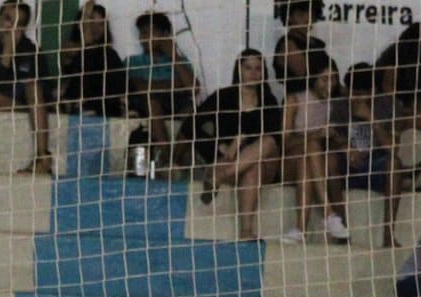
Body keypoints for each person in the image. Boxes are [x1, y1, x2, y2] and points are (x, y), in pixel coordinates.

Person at [191, 49, 283, 242]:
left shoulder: (269, 100)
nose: (253, 73)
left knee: (268, 143)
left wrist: (241, 139)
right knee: (252, 169)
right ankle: (246, 231)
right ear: (238, 70)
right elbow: (191, 126)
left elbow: (276, 137)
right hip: (233, 161)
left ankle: (220, 175)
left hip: (262, 163)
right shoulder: (223, 97)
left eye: (258, 68)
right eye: (248, 68)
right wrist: (219, 147)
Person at [331, 64, 410, 247]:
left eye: (363, 93)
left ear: (374, 90)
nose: (358, 98)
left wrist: (371, 118)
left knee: (394, 163)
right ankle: (342, 231)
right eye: (354, 93)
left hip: (376, 165)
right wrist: (346, 148)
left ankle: (388, 234)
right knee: (330, 161)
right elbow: (330, 138)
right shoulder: (340, 105)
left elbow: (392, 148)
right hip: (348, 166)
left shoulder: (390, 105)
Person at [0, 0, 51, 174]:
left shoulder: (32, 51)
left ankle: (43, 156)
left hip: (29, 98)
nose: (12, 27)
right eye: (8, 19)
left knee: (33, 87)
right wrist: (7, 52)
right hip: (3, 99)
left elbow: (45, 90)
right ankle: (28, 110)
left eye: (19, 24)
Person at [280, 59, 347, 244]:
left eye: (333, 79)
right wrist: (315, 134)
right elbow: (283, 143)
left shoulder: (336, 103)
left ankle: (300, 228)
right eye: (324, 79)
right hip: (288, 162)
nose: (330, 84)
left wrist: (334, 137)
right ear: (313, 79)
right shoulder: (295, 100)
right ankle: (328, 213)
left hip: (315, 163)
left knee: (310, 155)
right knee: (311, 145)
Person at [128, 11, 198, 168]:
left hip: (177, 103)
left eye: (150, 31)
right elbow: (140, 88)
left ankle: (175, 159)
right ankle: (165, 157)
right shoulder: (133, 62)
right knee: (151, 100)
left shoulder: (178, 60)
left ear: (165, 35)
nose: (144, 37)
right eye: (142, 33)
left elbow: (193, 88)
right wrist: (175, 84)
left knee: (192, 112)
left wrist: (173, 56)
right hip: (148, 104)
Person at [57, 2, 142, 119]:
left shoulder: (107, 53)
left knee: (108, 54)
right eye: (91, 21)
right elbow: (87, 45)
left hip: (104, 97)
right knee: (93, 52)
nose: (95, 28)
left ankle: (124, 103)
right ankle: (85, 105)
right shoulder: (70, 47)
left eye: (101, 24)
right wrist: (86, 14)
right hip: (78, 94)